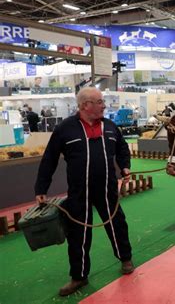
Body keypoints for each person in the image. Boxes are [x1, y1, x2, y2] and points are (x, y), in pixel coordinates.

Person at [34, 87, 134, 296]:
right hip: (79, 192)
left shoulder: (110, 126)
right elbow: (49, 159)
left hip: (107, 188)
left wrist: (124, 166)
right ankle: (79, 276)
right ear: (85, 105)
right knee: (78, 234)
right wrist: (41, 188)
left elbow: (123, 149)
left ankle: (125, 258)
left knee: (117, 224)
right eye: (99, 102)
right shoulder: (65, 129)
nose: (104, 105)